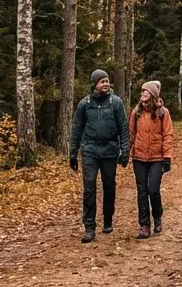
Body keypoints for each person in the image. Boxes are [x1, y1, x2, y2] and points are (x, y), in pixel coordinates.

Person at [69, 69, 129, 243]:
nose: (106, 84)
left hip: (110, 150)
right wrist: (73, 153)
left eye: (107, 81)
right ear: (95, 84)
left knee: (109, 186)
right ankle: (89, 227)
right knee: (89, 187)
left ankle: (108, 219)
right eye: (102, 81)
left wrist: (125, 150)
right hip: (90, 150)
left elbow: (123, 128)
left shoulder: (116, 102)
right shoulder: (84, 104)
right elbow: (77, 129)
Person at [128, 80, 173, 240]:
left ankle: (157, 216)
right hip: (139, 157)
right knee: (142, 191)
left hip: (157, 158)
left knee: (153, 189)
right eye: (142, 91)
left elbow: (168, 135)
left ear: (153, 95)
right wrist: (125, 152)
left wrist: (167, 157)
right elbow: (131, 134)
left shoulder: (163, 113)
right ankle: (144, 225)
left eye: (146, 91)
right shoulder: (136, 112)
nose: (143, 94)